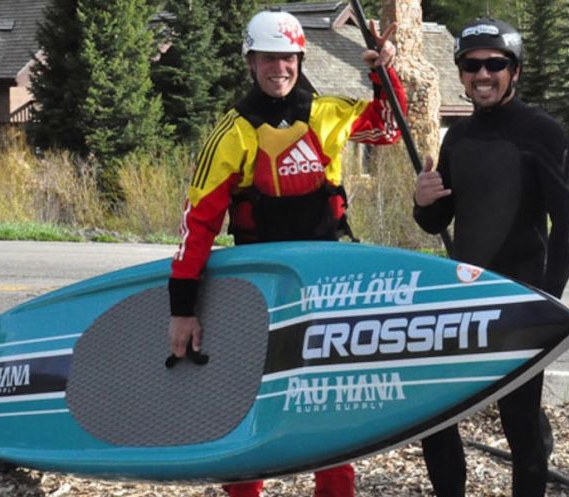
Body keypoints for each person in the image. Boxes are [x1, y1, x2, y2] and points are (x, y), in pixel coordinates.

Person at [167, 9, 406, 497]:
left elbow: (387, 129)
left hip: (327, 281)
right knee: (249, 398)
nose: (280, 68)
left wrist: (384, 73)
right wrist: (183, 309)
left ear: (300, 59)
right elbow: (199, 224)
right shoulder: (232, 132)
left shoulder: (329, 113)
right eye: (269, 58)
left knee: (330, 403)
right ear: (251, 62)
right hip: (259, 283)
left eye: (288, 58)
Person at [412, 18, 569, 497]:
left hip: (521, 299)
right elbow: (435, 220)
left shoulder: (544, 133)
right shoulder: (458, 138)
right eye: (471, 65)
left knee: (520, 422)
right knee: (436, 414)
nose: (482, 75)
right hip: (462, 299)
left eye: (494, 64)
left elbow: (566, 230)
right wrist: (423, 201)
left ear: (515, 71)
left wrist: (547, 307)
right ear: (460, 72)